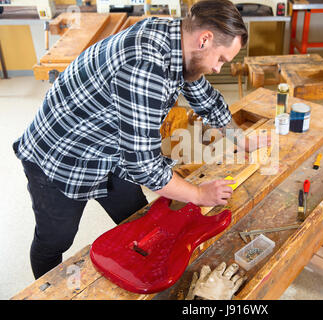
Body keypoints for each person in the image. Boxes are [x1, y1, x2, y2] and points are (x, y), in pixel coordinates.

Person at [13, 0, 266, 279]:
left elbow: (206, 99)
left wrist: (240, 141)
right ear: (204, 39)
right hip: (61, 156)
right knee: (56, 240)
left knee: (143, 222)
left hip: (112, 151)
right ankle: (44, 294)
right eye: (221, 59)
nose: (219, 69)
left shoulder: (180, 42)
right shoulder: (145, 63)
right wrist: (198, 194)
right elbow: (144, 166)